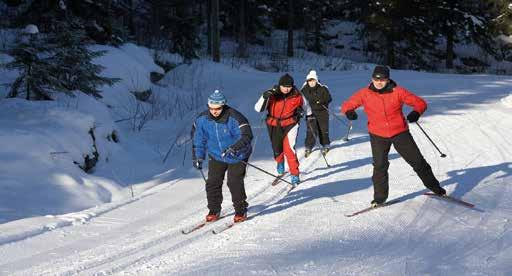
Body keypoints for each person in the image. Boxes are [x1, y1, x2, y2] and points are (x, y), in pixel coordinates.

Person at [341, 65, 446, 207]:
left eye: (382, 80)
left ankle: (436, 188)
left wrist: (416, 113)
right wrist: (349, 112)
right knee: (379, 166)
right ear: (372, 79)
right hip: (378, 135)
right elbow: (347, 105)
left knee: (417, 161)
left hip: (400, 133)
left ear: (388, 79)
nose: (379, 82)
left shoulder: (398, 92)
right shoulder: (364, 93)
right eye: (376, 79)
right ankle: (379, 198)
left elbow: (420, 103)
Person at [192, 90, 253, 223]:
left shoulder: (235, 118)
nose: (214, 111)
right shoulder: (202, 120)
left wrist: (234, 148)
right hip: (216, 155)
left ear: (223, 106)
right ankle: (214, 210)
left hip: (237, 155)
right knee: (213, 182)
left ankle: (240, 210)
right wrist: (198, 157)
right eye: (212, 108)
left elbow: (246, 135)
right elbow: (198, 139)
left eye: (218, 108)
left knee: (234, 182)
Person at [254, 73, 312, 186]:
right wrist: (265, 96)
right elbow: (257, 108)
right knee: (277, 148)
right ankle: (280, 162)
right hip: (273, 124)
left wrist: (309, 115)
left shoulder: (297, 95)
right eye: (284, 86)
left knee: (289, 149)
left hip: (290, 124)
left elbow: (306, 106)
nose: (286, 89)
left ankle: (295, 174)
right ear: (279, 85)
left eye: (289, 86)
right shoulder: (272, 93)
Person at [301, 70, 332, 157]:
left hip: (322, 112)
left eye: (313, 80)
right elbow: (300, 101)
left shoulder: (323, 88)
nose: (312, 82)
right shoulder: (304, 90)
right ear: (307, 81)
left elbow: (329, 98)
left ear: (316, 80)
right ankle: (308, 147)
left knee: (323, 129)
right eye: (310, 80)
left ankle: (325, 144)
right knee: (311, 130)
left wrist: (322, 101)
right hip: (310, 113)